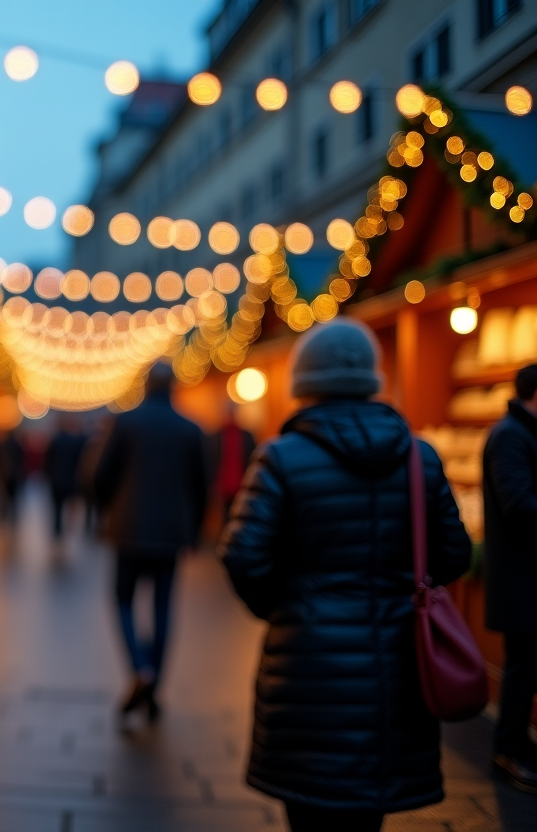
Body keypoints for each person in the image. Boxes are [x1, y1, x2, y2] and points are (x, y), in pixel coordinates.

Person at [220, 319, 472, 832]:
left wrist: (285, 607)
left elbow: (243, 555)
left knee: (310, 809)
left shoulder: (281, 457)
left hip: (307, 669)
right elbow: (454, 555)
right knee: (367, 813)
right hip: (396, 667)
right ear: (371, 378)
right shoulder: (419, 458)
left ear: (304, 382)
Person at [94, 362, 208, 720]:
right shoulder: (191, 429)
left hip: (127, 529)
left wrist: (102, 511)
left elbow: (102, 475)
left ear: (145, 386)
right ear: (173, 387)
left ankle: (140, 669)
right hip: (172, 534)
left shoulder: (125, 422)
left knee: (123, 601)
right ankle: (154, 683)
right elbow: (201, 487)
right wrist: (196, 533)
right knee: (162, 608)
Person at [483, 363, 537, 793]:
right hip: (523, 579)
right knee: (521, 667)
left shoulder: (518, 433)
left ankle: (517, 747)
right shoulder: (510, 436)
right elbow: (519, 504)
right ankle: (509, 750)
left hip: (526, 577)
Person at [44, 414, 87, 543]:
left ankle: (57, 533)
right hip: (71, 479)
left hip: (56, 480)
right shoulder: (76, 442)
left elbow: (47, 461)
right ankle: (70, 528)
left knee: (57, 508)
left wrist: (49, 475)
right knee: (71, 506)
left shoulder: (55, 440)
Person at [211, 401, 256, 522]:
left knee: (241, 518)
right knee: (224, 519)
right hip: (223, 486)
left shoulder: (247, 436)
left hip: (242, 484)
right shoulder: (216, 436)